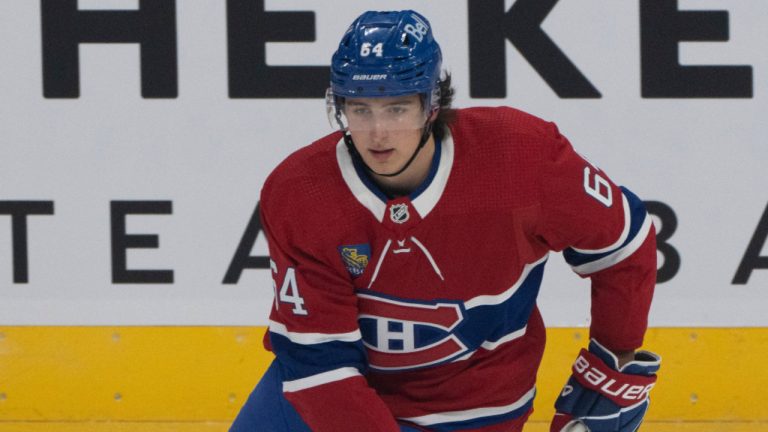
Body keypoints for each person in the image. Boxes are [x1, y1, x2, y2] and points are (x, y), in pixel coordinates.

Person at [231, 9, 660, 432]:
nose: (377, 133)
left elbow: (622, 243)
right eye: (360, 109)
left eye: (397, 109)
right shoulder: (302, 192)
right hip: (328, 400)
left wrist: (614, 359)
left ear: (432, 103)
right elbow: (321, 371)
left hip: (471, 411)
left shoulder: (521, 159)